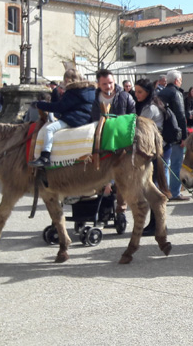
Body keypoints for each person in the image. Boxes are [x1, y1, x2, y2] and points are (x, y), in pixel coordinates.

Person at [90, 69, 136, 214]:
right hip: (99, 144)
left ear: (114, 81)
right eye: (104, 84)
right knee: (99, 176)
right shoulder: (93, 99)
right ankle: (102, 209)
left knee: (121, 177)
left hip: (120, 143)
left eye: (110, 83)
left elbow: (132, 118)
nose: (108, 86)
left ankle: (121, 210)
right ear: (99, 84)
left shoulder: (125, 97)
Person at [30, 69, 95, 168]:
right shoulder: (90, 90)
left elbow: (60, 107)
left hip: (75, 119)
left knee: (49, 129)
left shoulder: (73, 91)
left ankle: (45, 157)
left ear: (67, 79)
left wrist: (40, 105)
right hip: (87, 118)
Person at [134, 78, 171, 236]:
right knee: (155, 184)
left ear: (148, 92)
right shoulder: (153, 104)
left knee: (153, 187)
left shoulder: (150, 108)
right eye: (135, 91)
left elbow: (141, 130)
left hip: (154, 149)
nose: (136, 95)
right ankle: (155, 223)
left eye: (140, 92)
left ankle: (157, 224)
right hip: (158, 147)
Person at [157, 70, 189, 201]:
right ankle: (174, 192)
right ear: (177, 81)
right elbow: (181, 115)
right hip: (175, 133)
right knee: (176, 163)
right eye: (180, 80)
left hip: (162, 132)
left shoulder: (160, 93)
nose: (181, 82)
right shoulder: (176, 93)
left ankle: (163, 191)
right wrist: (184, 137)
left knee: (164, 164)